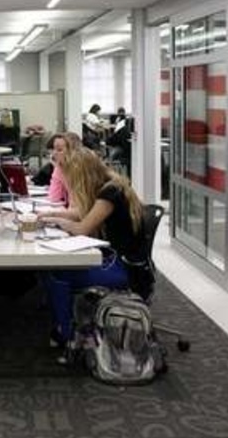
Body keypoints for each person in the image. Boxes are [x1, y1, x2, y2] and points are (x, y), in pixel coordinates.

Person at [38, 149, 147, 344]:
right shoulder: (109, 184)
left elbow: (81, 228)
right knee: (53, 269)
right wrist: (50, 216)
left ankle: (66, 333)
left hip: (124, 269)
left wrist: (58, 222)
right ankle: (67, 320)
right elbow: (82, 212)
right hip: (120, 260)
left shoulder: (109, 194)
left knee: (57, 272)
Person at [46, 132, 83, 206]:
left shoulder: (80, 170)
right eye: (53, 149)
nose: (53, 154)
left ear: (73, 151)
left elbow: (77, 206)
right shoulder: (60, 168)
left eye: (59, 150)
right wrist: (58, 169)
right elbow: (54, 198)